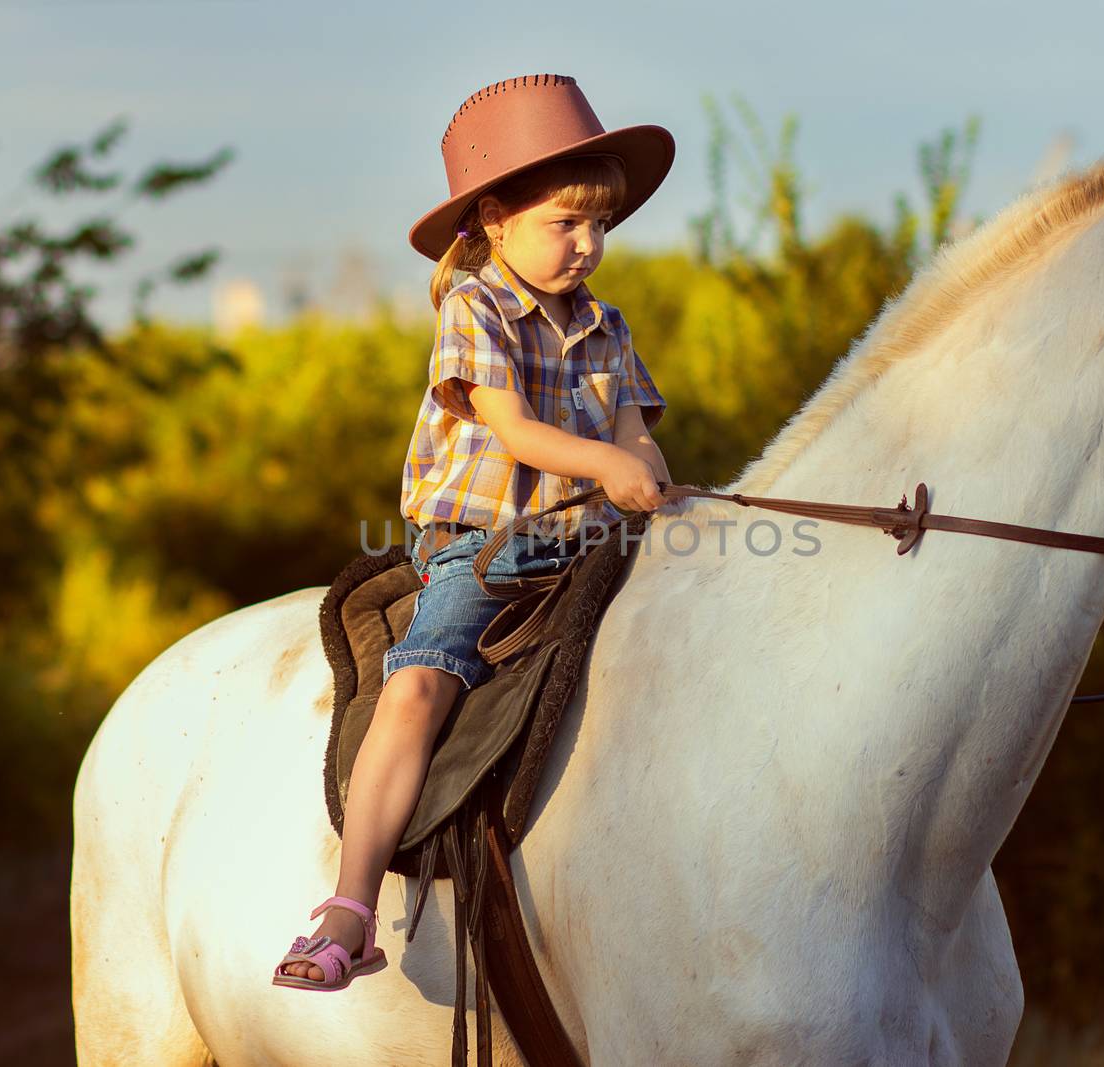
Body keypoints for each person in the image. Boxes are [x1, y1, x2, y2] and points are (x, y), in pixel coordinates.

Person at [272, 73, 676, 991]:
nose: (589, 245)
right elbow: (517, 430)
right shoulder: (476, 309)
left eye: (601, 226)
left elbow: (630, 428)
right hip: (485, 543)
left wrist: (643, 465)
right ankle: (351, 905)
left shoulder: (606, 325)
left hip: (588, 539)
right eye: (566, 224)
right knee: (419, 685)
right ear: (496, 220)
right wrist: (609, 467)